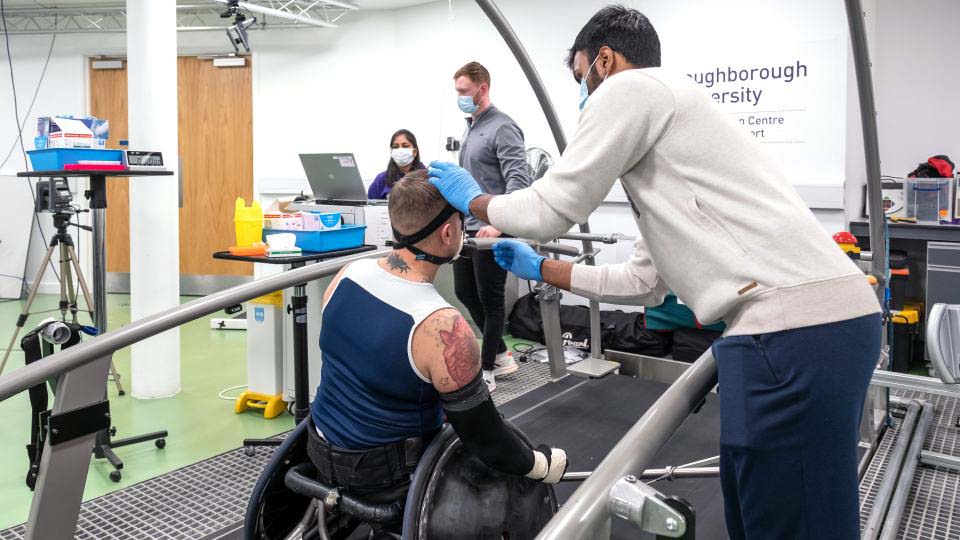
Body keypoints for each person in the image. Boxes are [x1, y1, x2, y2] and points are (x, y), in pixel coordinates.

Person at [428, 6, 881, 540]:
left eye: (580, 79)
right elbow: (645, 283)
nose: (583, 96)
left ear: (605, 59)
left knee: (786, 523)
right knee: (770, 509)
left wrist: (474, 199)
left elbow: (550, 209)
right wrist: (544, 267)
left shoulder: (630, 89)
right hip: (803, 328)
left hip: (792, 332)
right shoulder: (672, 152)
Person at [308, 170, 566, 521]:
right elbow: (488, 442)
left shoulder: (347, 275)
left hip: (318, 446)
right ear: (448, 233)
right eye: (462, 224)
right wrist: (538, 465)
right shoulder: (443, 326)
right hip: (385, 473)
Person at [451, 61, 532, 391]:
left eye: (464, 91)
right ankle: (500, 353)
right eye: (456, 92)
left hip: (494, 230)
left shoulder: (503, 127)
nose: (459, 97)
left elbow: (519, 181)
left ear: (482, 89)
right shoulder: (471, 127)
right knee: (463, 292)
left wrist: (498, 225)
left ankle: (486, 371)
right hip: (469, 229)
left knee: (491, 300)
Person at [366, 129, 426, 200]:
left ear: (415, 152)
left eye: (405, 146)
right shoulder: (381, 179)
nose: (400, 150)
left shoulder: (427, 177)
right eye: (396, 147)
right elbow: (370, 206)